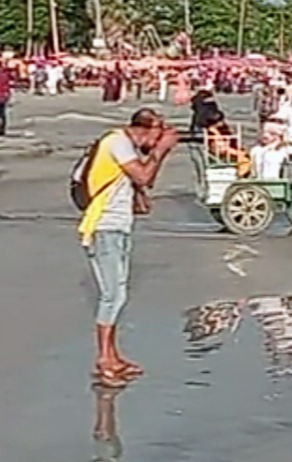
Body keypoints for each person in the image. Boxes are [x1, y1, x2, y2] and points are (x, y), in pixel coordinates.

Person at [76, 108, 178, 386]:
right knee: (113, 295)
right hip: (104, 226)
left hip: (118, 226)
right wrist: (161, 151)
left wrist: (157, 155)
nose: (156, 142)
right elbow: (144, 177)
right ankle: (104, 359)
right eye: (157, 135)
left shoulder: (124, 145)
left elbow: (146, 179)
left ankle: (112, 355)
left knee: (117, 291)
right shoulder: (117, 142)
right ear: (145, 129)